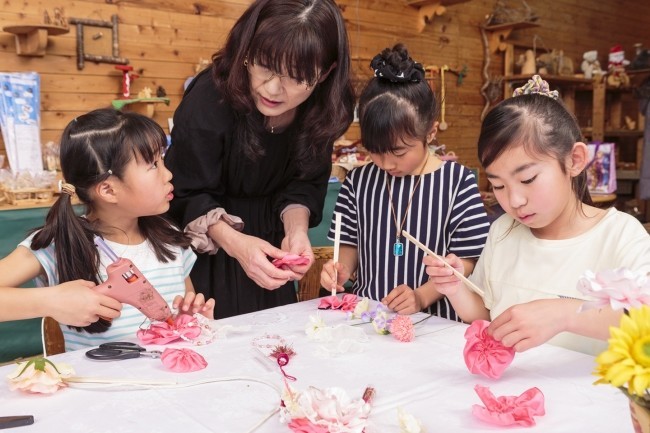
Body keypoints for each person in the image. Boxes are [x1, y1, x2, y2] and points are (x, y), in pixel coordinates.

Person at [425, 75, 650, 354]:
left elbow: (644, 321)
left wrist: (564, 314)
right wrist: (454, 288)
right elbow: (486, 314)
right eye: (498, 185)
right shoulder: (503, 231)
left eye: (528, 179)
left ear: (574, 160)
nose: (515, 201)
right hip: (508, 391)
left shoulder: (619, 235)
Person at [164, 0, 355, 318]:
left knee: (276, 345)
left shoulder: (325, 107)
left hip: (271, 246)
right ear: (247, 50)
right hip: (207, 249)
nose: (272, 88)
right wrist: (238, 244)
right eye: (264, 65)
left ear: (325, 73)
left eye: (295, 77)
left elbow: (305, 182)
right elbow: (186, 191)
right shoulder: (210, 97)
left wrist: (296, 232)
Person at [0, 108, 214, 351]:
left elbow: (181, 326)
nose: (168, 174)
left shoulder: (169, 237)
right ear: (109, 190)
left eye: (163, 159)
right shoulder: (58, 243)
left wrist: (193, 321)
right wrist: (50, 301)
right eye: (153, 164)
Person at [320, 44, 490, 320]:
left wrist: (421, 296)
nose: (386, 163)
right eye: (375, 151)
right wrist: (342, 269)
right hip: (369, 316)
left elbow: (467, 260)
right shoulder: (358, 181)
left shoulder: (457, 182)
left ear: (430, 132)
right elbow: (348, 243)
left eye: (398, 152)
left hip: (436, 323)